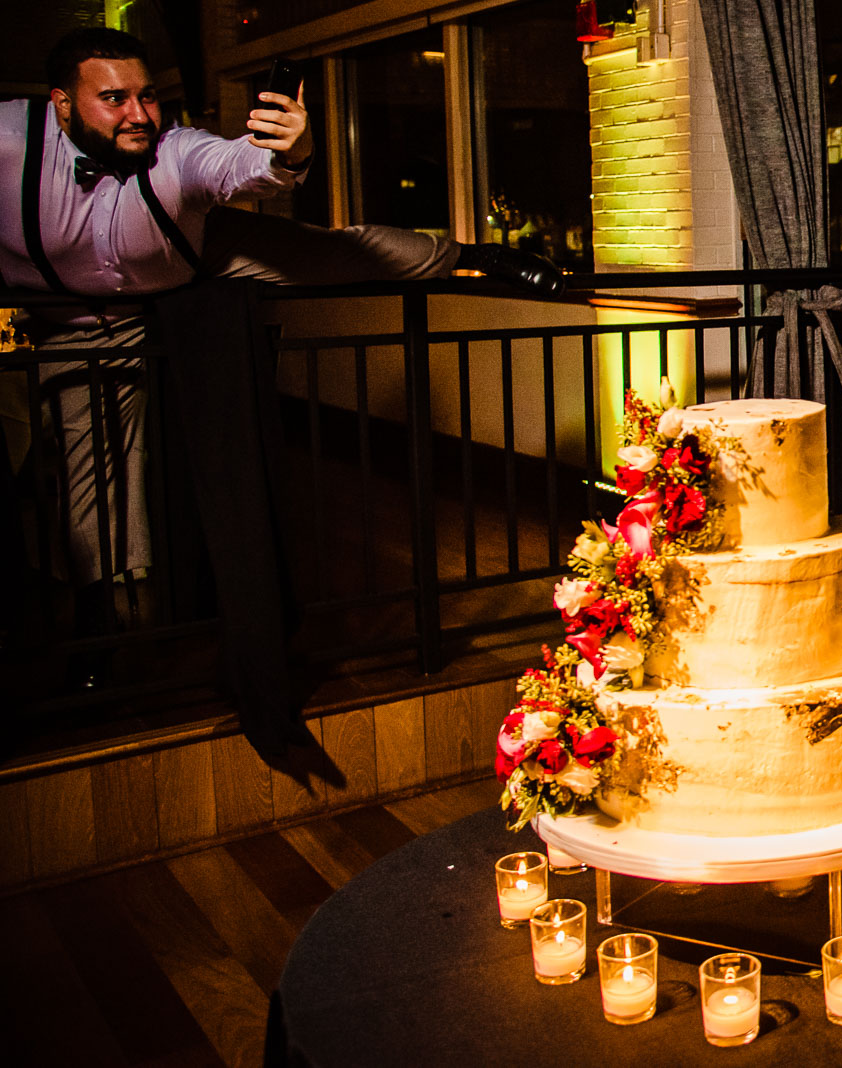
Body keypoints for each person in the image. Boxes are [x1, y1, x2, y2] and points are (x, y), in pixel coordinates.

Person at [0, 28, 562, 680]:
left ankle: (473, 256)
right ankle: (73, 619)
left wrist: (289, 149)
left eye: (147, 96)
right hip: (49, 315)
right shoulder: (11, 141)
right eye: (114, 99)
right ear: (62, 104)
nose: (138, 115)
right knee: (54, 455)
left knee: (331, 253)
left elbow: (242, 166)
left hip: (181, 261)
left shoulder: (174, 152)